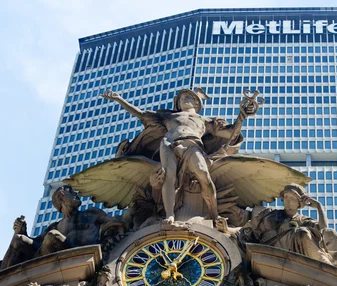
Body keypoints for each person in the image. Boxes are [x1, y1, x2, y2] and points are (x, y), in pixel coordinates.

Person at [101, 88, 250, 224]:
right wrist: (119, 99)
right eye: (182, 97)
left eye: (189, 97)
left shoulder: (206, 121)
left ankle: (214, 214)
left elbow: (231, 133)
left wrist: (241, 118)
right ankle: (170, 215)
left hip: (192, 144)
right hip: (169, 143)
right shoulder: (168, 116)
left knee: (203, 174)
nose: (185, 99)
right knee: (169, 175)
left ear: (197, 103)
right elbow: (140, 114)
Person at [1, 186, 125, 270]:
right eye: (71, 192)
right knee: (19, 239)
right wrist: (21, 231)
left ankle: (37, 271)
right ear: (61, 198)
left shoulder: (92, 213)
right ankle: (3, 281)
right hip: (56, 259)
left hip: (82, 256)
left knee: (53, 236)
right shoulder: (55, 226)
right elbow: (35, 242)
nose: (76, 194)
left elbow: (117, 221)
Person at [248, 184, 337, 274]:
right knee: (303, 232)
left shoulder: (303, 219)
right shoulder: (272, 214)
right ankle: (326, 266)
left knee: (329, 232)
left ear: (299, 204)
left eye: (292, 198)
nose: (287, 200)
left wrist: (319, 207)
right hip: (273, 246)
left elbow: (323, 229)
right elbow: (255, 228)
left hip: (294, 248)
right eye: (286, 197)